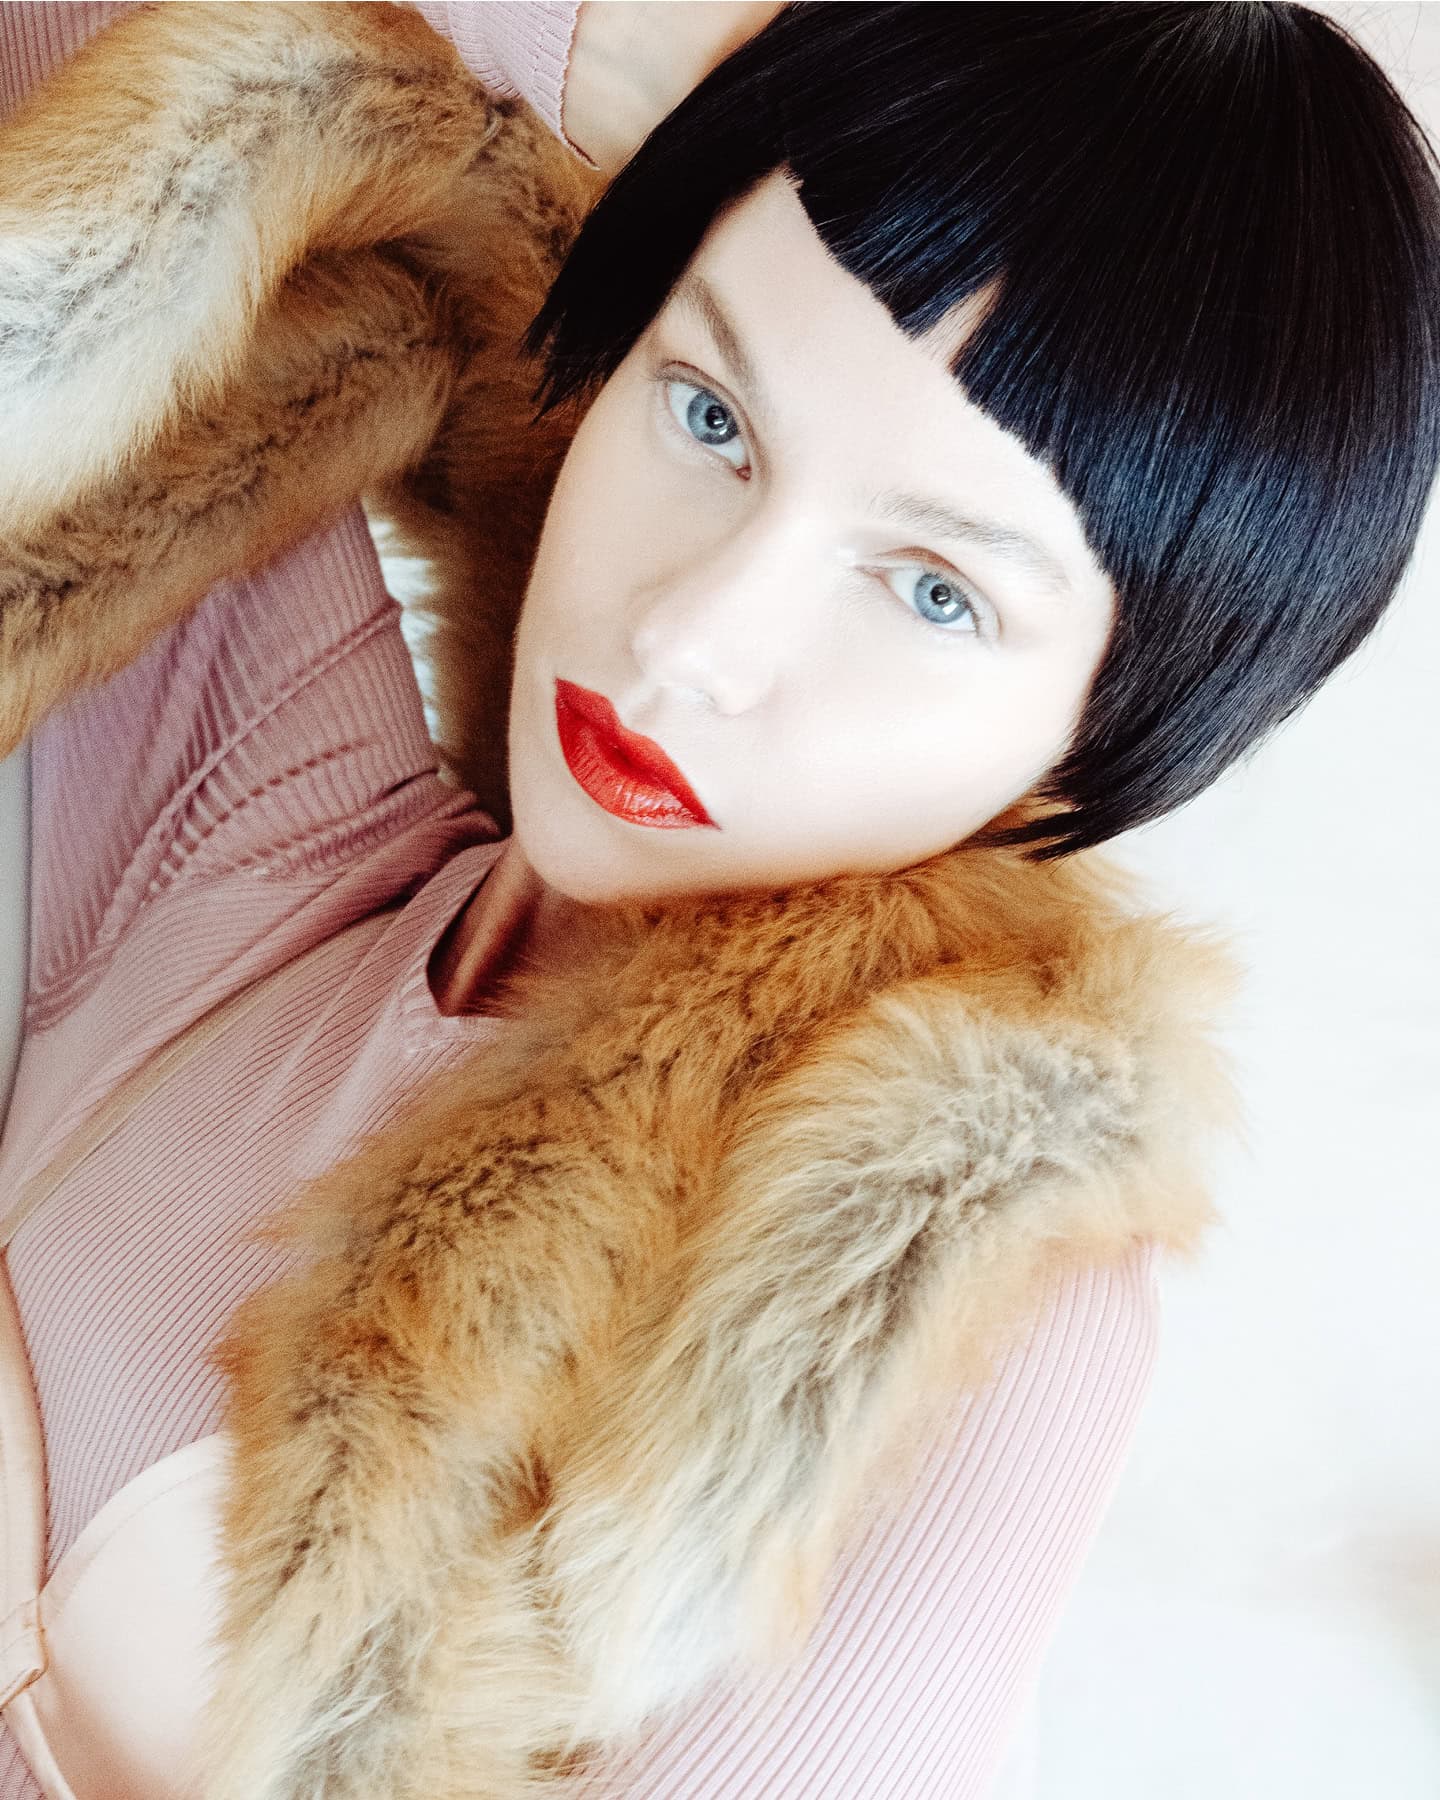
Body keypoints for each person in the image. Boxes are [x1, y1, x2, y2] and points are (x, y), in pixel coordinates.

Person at [0, 3, 1435, 1796]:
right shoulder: (277, 835)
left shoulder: (934, 1276)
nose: (690, 638)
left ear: (1105, 727)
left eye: (934, 592)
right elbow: (114, 73)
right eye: (709, 415)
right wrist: (606, 94)